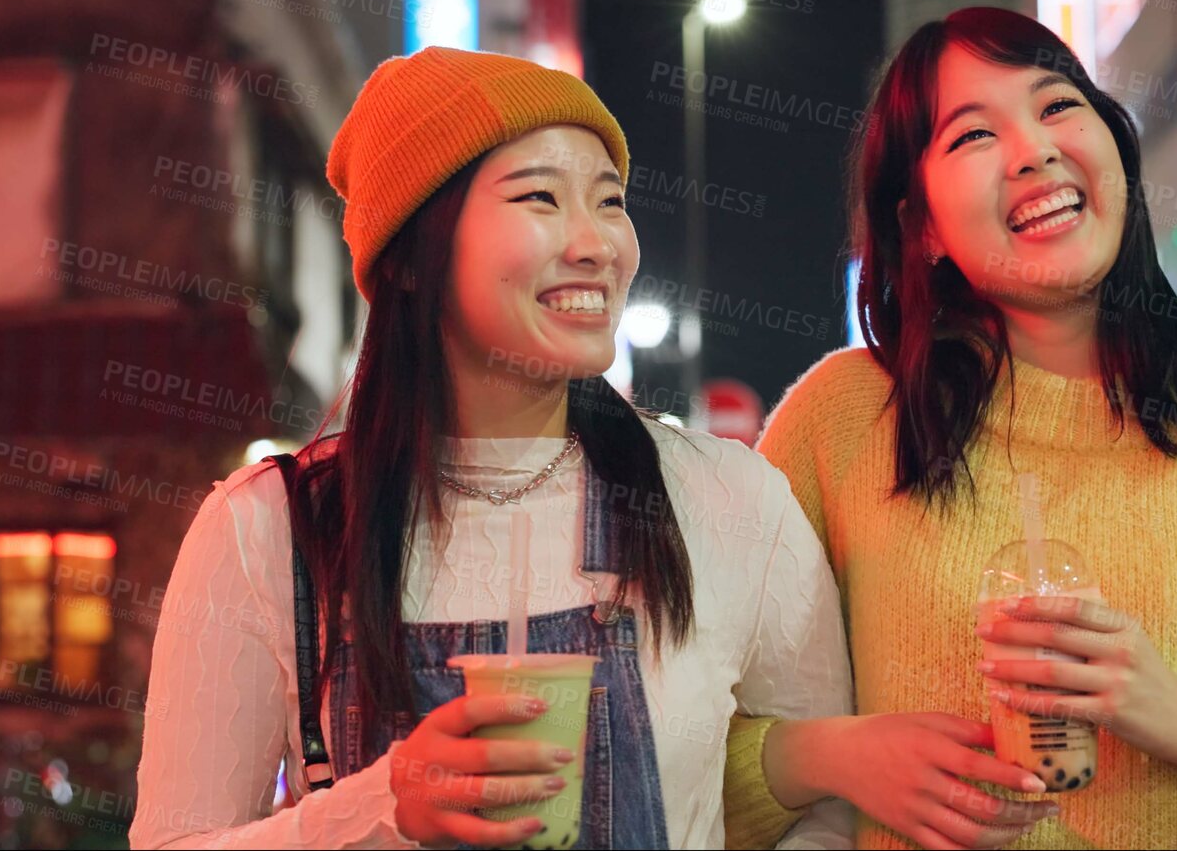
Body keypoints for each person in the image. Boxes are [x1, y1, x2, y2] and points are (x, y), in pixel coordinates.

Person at [722, 7, 1177, 849]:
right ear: (921, 226)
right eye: (972, 137)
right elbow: (682, 747)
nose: (1033, 150)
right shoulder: (847, 421)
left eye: (1056, 106)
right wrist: (830, 755)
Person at [130, 47, 853, 849]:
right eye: (540, 197)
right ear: (411, 259)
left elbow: (831, 802)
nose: (596, 244)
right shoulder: (267, 528)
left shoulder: (726, 499)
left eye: (609, 201)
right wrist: (379, 808)